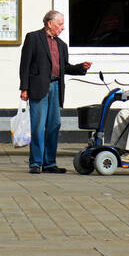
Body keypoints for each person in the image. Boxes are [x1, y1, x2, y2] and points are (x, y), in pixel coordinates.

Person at [19, 10, 90, 174]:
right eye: (60, 24)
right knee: (37, 126)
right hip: (38, 87)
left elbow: (65, 67)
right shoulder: (33, 38)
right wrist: (24, 88)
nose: (62, 28)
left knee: (54, 125)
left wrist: (81, 67)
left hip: (56, 87)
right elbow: (25, 65)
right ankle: (36, 163)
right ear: (50, 23)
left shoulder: (61, 45)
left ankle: (50, 162)